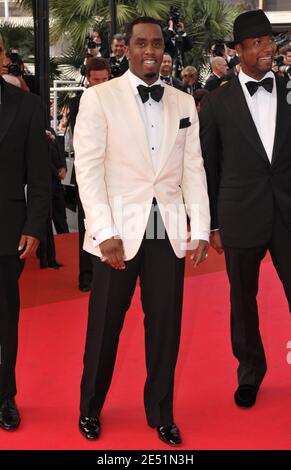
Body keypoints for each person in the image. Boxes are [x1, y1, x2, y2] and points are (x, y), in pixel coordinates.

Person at [74, 17, 210, 445]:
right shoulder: (99, 99)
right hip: (117, 229)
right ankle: (89, 408)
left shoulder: (183, 102)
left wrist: (201, 227)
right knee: (105, 326)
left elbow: (193, 169)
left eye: (156, 43)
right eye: (140, 43)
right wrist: (103, 231)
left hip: (164, 228)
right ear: (126, 49)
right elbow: (88, 171)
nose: (150, 50)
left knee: (165, 328)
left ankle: (161, 413)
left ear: (164, 49)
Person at [199, 10, 291, 409]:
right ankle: (250, 373)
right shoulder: (217, 102)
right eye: (258, 43)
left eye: (270, 41)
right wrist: (213, 223)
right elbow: (208, 164)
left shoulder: (289, 89)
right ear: (238, 51)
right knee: (243, 300)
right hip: (239, 214)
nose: (268, 48)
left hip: (288, 211)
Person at [0, 34, 50, 431]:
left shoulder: (27, 105)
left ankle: (4, 395)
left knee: (4, 319)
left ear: (2, 56)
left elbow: (39, 173)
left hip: (7, 231)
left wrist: (36, 226)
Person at [69, 57, 111, 291]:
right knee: (89, 226)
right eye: (96, 80)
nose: (101, 84)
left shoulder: (119, 102)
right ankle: (86, 276)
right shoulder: (79, 103)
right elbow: (82, 139)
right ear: (88, 79)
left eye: (105, 79)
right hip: (88, 174)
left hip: (115, 175)